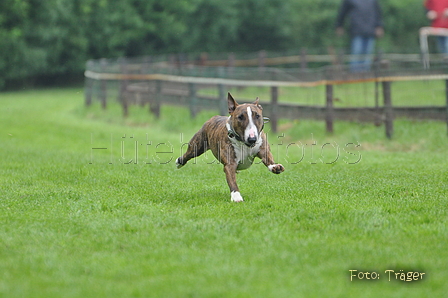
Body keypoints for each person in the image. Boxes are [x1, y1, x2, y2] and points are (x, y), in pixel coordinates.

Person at [335, 0, 384, 72]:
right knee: (357, 53)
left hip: (370, 31)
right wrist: (339, 25)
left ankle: (365, 74)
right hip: (356, 31)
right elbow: (343, 12)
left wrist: (379, 26)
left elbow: (378, 12)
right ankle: (355, 74)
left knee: (367, 54)